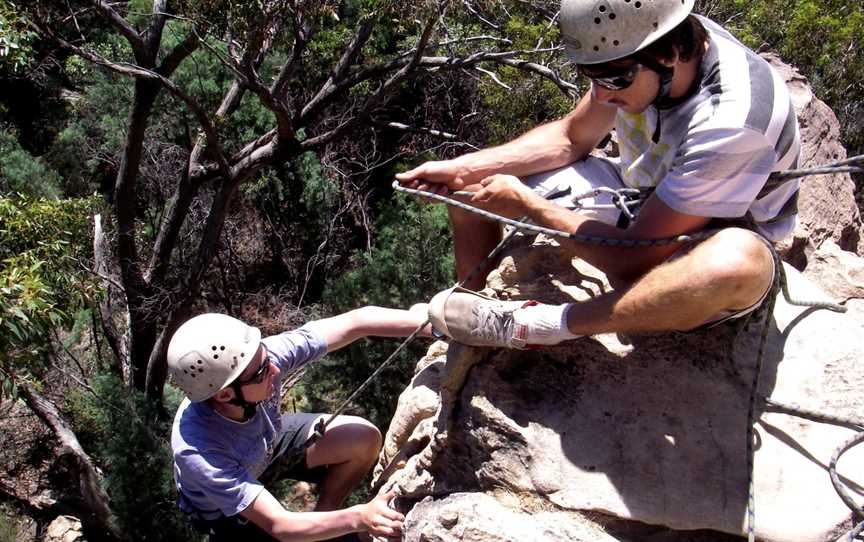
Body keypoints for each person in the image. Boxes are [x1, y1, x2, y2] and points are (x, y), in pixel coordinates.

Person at [397, 0, 800, 348]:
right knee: (469, 192)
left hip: (714, 230)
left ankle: (540, 326)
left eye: (613, 79)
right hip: (644, 191)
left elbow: (636, 260)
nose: (604, 95)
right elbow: (572, 137)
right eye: (593, 78)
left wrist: (529, 204)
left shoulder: (730, 121)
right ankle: (468, 313)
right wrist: (462, 168)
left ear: (672, 52)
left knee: (735, 264)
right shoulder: (637, 51)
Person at [168, 306, 429, 541]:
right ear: (225, 394)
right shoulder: (199, 450)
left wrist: (432, 323)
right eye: (262, 372)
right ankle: (329, 528)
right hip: (226, 514)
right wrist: (359, 518)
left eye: (266, 357)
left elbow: (355, 322)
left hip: (267, 442)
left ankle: (327, 519)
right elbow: (280, 524)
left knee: (361, 437)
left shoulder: (257, 362)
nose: (275, 369)